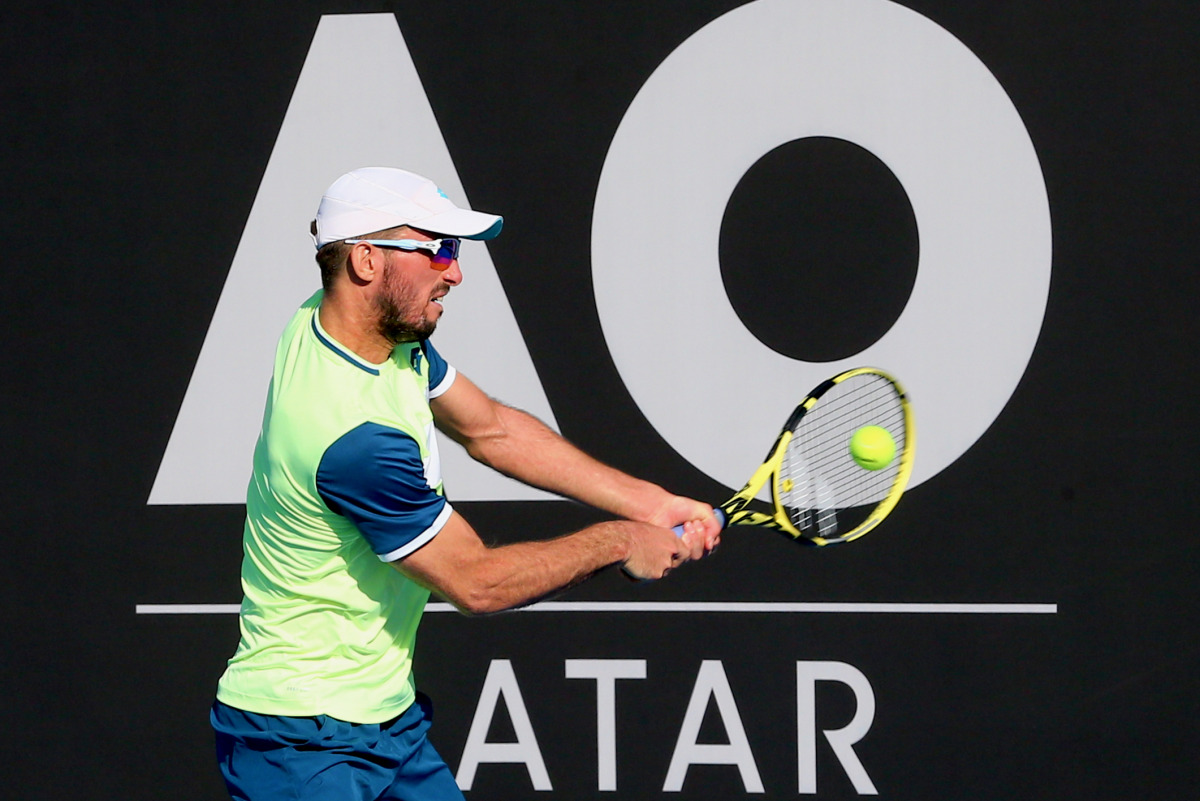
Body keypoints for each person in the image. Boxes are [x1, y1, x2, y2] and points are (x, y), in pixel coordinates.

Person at [210, 166, 721, 800]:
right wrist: (622, 541)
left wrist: (653, 504)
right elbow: (478, 583)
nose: (455, 272)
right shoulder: (353, 439)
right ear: (367, 260)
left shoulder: (368, 332)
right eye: (438, 249)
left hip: (384, 720)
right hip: (299, 744)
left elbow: (494, 432)